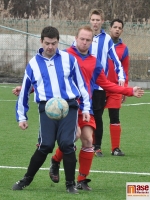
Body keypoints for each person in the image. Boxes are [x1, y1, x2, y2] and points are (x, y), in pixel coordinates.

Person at [45, 26, 144, 191]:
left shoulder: (94, 62)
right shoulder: (63, 55)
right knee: (73, 137)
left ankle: (81, 180)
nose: (84, 42)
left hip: (85, 106)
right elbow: (47, 75)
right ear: (76, 38)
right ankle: (55, 160)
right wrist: (28, 88)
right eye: (82, 39)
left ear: (92, 41)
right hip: (67, 106)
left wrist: (129, 90)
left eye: (88, 40)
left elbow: (106, 84)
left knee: (89, 140)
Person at [12, 26, 91, 194]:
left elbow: (82, 85)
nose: (50, 47)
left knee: (67, 144)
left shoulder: (69, 59)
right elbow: (25, 91)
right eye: (47, 43)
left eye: (54, 43)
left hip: (68, 107)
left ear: (58, 42)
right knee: (45, 145)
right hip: (46, 109)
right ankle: (26, 179)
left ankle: (70, 184)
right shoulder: (33, 64)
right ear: (41, 41)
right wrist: (21, 117)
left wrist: (86, 108)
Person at [89, 8, 126, 157]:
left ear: (102, 21)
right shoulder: (84, 36)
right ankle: (79, 144)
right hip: (83, 85)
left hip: (98, 86)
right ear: (90, 20)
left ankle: (96, 146)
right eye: (93, 19)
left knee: (97, 116)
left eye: (98, 20)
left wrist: (121, 77)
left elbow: (117, 61)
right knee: (81, 115)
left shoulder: (107, 40)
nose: (95, 22)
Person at [104, 18, 129, 156]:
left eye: (120, 28)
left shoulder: (124, 49)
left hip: (115, 88)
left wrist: (124, 88)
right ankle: (95, 147)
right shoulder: (102, 44)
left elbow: (125, 70)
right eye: (115, 27)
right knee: (95, 117)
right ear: (110, 28)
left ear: (122, 30)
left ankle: (115, 148)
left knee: (114, 117)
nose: (117, 29)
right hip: (100, 87)